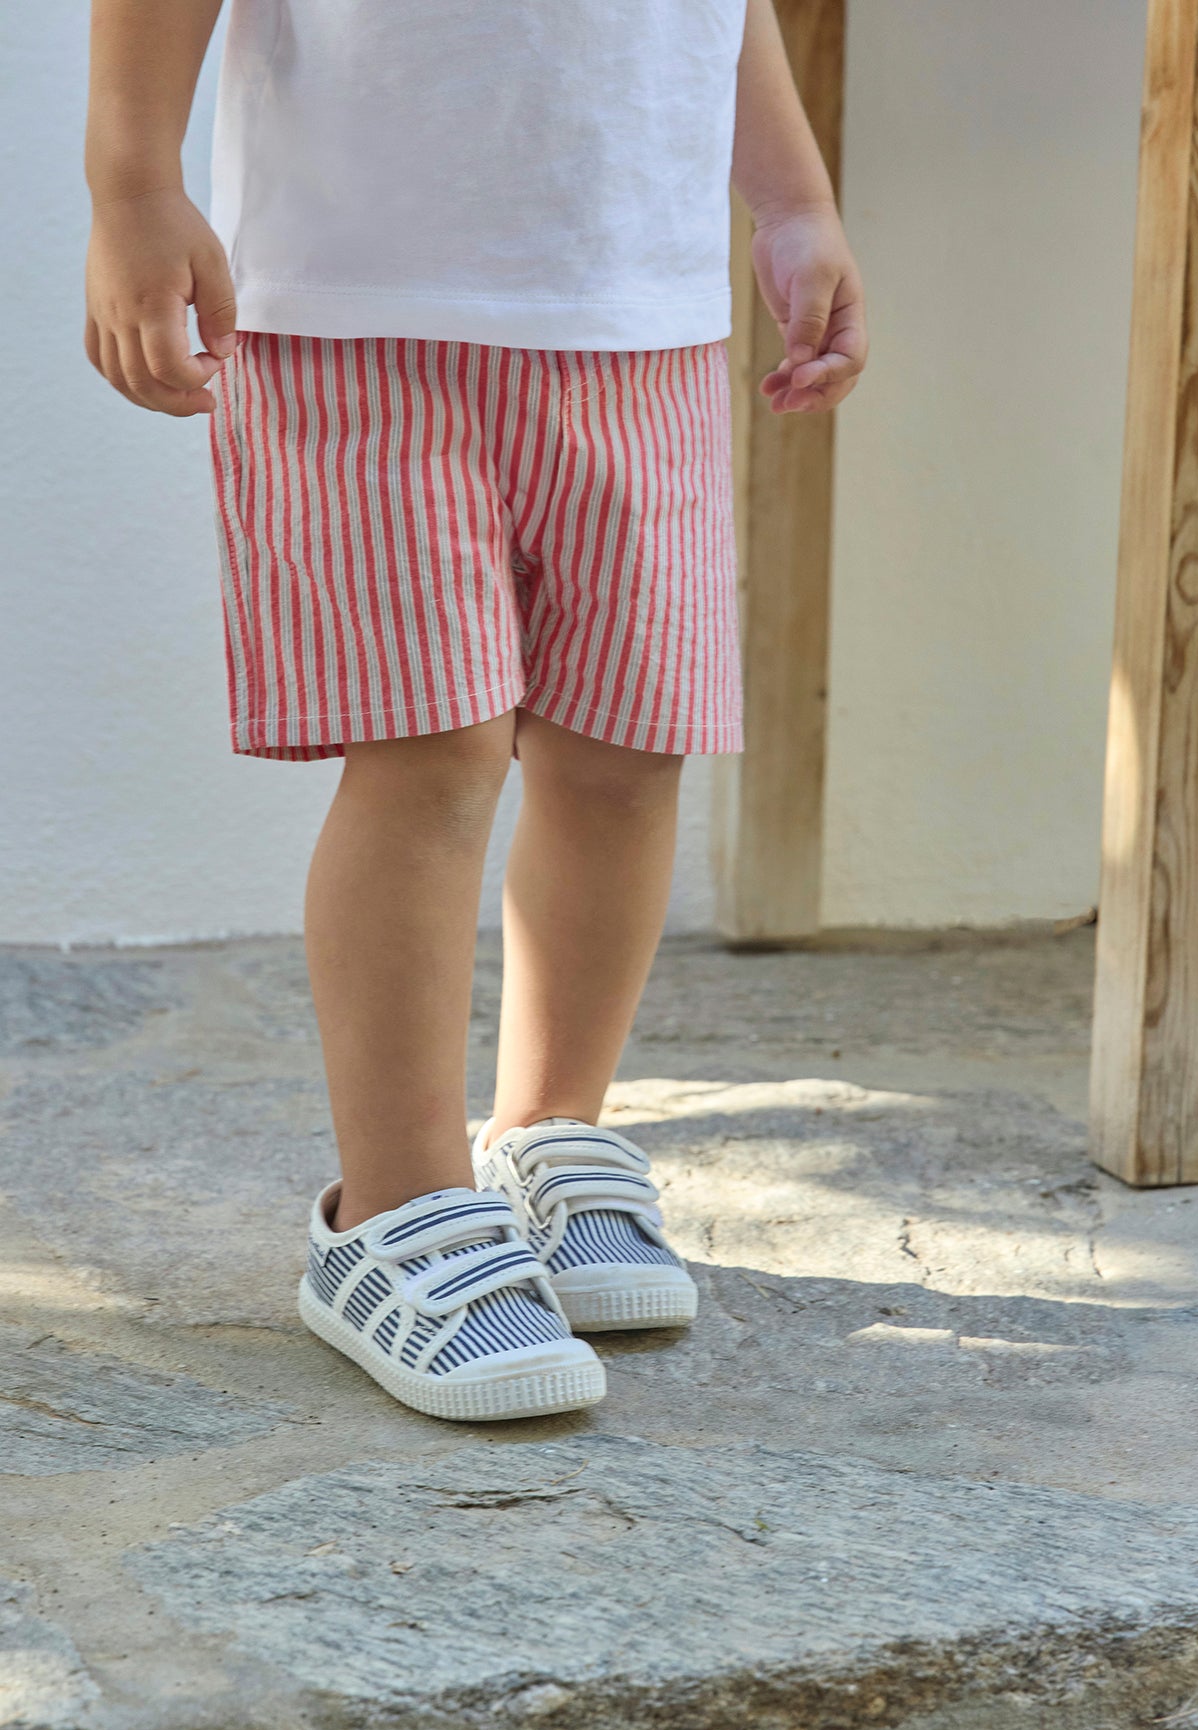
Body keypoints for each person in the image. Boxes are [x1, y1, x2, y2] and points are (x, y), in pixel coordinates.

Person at [83, 0, 867, 1423]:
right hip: (354, 315)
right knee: (431, 754)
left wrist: (796, 200)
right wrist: (132, 189)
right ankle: (392, 1210)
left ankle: (553, 1136)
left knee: (628, 747)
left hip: (641, 314)